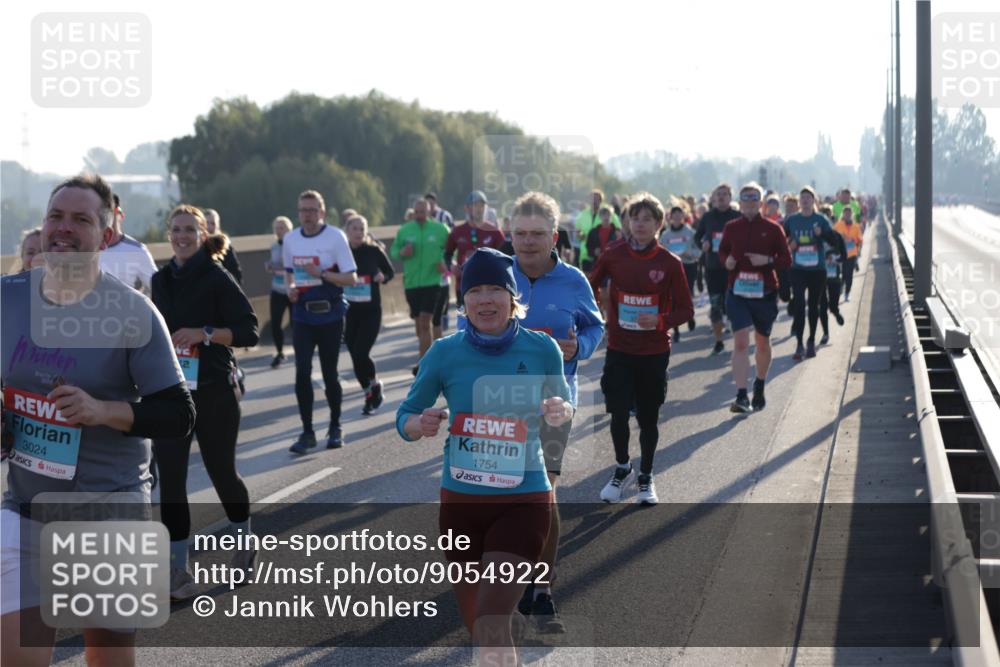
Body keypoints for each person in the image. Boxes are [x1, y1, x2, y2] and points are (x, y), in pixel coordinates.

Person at [1, 174, 195, 667]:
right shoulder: (8, 298)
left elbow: (178, 414)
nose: (64, 229)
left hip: (108, 510)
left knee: (106, 656)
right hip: (24, 510)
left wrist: (102, 410)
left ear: (106, 236)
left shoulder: (133, 312)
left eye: (81, 219)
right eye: (55, 217)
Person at [396, 247, 573, 665]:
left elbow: (563, 402)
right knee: (483, 632)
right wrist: (417, 425)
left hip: (523, 500)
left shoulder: (542, 348)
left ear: (514, 300)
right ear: (464, 301)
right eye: (475, 291)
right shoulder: (443, 353)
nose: (485, 299)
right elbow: (405, 414)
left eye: (496, 289)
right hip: (460, 505)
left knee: (493, 623)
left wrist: (561, 411)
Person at [151, 204, 260, 599]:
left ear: (201, 234)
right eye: (175, 229)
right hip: (170, 393)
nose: (181, 236)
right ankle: (178, 569)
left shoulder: (216, 276)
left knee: (221, 474)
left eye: (189, 230)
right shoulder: (159, 280)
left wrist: (205, 332)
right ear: (169, 235)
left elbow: (250, 331)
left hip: (214, 390)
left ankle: (244, 540)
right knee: (172, 482)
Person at [509, 192, 604, 631]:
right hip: (500, 398)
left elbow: (595, 324)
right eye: (520, 234)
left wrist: (579, 346)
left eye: (537, 234)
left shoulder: (573, 281)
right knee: (508, 494)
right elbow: (464, 321)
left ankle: (542, 590)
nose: (528, 242)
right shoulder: (496, 273)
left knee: (544, 491)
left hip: (555, 396)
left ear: (554, 236)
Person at [589, 193, 694, 504]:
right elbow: (589, 284)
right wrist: (597, 310)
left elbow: (686, 310)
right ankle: (623, 468)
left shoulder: (670, 263)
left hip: (653, 352)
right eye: (635, 218)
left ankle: (646, 477)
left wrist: (661, 320)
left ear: (659, 224)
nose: (640, 224)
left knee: (648, 418)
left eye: (647, 219)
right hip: (620, 348)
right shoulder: (613, 254)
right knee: (617, 413)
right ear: (627, 223)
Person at [284, 190, 358, 453]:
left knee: (329, 374)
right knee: (302, 373)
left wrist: (323, 274)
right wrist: (290, 288)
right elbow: (288, 274)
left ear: (322, 213)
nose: (308, 215)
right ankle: (307, 432)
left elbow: (351, 278)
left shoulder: (335, 236)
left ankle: (335, 426)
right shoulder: (290, 239)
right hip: (303, 315)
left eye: (313, 210)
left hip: (331, 314)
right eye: (303, 210)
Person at [718, 182, 792, 413]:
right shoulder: (731, 227)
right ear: (739, 204)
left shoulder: (772, 229)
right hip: (737, 292)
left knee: (762, 343)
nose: (749, 205)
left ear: (760, 204)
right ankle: (741, 395)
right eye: (745, 201)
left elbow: (786, 260)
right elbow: (722, 251)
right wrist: (726, 261)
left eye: (754, 201)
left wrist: (767, 261)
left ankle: (759, 383)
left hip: (765, 293)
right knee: (740, 342)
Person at [390, 199, 450, 374]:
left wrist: (444, 264)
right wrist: (402, 253)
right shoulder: (405, 230)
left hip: (433, 282)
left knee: (425, 322)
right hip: (412, 283)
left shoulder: (440, 230)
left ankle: (424, 363)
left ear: (429, 212)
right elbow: (393, 251)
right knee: (419, 326)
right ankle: (429, 354)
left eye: (422, 212)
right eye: (416, 212)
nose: (419, 215)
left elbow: (451, 251)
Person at [343, 215, 395, 415]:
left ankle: (374, 385)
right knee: (355, 357)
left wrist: (383, 277)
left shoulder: (374, 251)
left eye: (361, 229)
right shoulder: (342, 252)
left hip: (371, 311)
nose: (358, 232)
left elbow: (389, 272)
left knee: (361, 352)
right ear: (347, 231)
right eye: (354, 228)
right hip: (349, 312)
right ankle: (369, 393)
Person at [785, 186, 843, 360]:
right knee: (799, 305)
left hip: (817, 270)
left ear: (814, 201)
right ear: (799, 202)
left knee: (814, 306)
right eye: (802, 197)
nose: (804, 200)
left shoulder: (821, 219)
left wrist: (822, 233)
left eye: (808, 198)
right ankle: (799, 344)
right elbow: (782, 240)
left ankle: (811, 340)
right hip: (798, 269)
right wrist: (790, 245)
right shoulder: (791, 220)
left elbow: (835, 242)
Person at [694, 183, 741, 355]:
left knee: (732, 306)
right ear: (713, 198)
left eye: (724, 194)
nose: (721, 197)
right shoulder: (707, 217)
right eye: (718, 194)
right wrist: (703, 244)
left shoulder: (737, 216)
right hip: (713, 267)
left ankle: (738, 340)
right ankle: (719, 341)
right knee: (715, 306)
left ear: (730, 197)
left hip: (733, 268)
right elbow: (697, 236)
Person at [445, 192, 506, 311]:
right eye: (475, 206)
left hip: (490, 288)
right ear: (467, 208)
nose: (479, 209)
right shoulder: (457, 231)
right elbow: (447, 254)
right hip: (463, 286)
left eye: (482, 206)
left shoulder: (495, 232)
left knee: (487, 326)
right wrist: (451, 266)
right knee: (465, 326)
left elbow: (506, 258)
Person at [99, 194, 159, 295]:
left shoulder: (137, 250)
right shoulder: (83, 249)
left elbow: (158, 289)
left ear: (121, 215)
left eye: (110, 211)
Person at [659, 205, 700, 340]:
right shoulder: (665, 235)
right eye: (674, 214)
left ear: (683, 216)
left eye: (679, 214)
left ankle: (690, 317)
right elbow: (660, 252)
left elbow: (699, 251)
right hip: (672, 269)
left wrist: (690, 253)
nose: (677, 216)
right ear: (670, 217)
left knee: (687, 295)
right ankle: (676, 330)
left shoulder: (690, 232)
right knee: (673, 298)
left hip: (688, 266)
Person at [266, 216, 294, 368]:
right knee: (275, 323)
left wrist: (277, 266)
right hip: (277, 289)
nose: (278, 230)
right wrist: (271, 266)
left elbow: (292, 265)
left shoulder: (294, 244)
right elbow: (277, 265)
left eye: (282, 227)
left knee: (296, 322)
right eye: (276, 227)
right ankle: (280, 352)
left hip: (293, 287)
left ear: (289, 229)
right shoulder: (274, 246)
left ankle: (301, 351)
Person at [575, 189, 620, 269]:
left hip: (604, 256)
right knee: (588, 280)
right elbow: (578, 233)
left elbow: (618, 230)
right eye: (592, 198)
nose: (594, 201)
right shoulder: (582, 215)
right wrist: (581, 236)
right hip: (585, 254)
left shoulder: (609, 213)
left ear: (601, 200)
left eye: (597, 199)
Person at [202, 208, 243, 284]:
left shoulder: (226, 248)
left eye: (213, 223)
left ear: (218, 226)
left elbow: (236, 275)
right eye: (207, 223)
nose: (209, 227)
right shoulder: (196, 247)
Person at [833, 205, 863, 302]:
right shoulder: (838, 225)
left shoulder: (856, 226)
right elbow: (832, 237)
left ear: (852, 214)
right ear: (843, 214)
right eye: (846, 213)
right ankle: (840, 289)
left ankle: (847, 293)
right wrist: (840, 239)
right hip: (841, 253)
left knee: (849, 274)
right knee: (842, 274)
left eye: (849, 213)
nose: (847, 215)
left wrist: (854, 240)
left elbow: (860, 240)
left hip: (852, 253)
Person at [818, 247, 846, 345]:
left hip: (834, 279)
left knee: (833, 306)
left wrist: (834, 259)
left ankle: (836, 313)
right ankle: (825, 333)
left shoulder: (836, 239)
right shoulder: (815, 238)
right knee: (822, 307)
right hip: (820, 278)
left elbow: (844, 255)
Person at [584, 204, 621, 273]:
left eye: (608, 215)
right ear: (600, 216)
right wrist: (594, 251)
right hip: (597, 263)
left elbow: (622, 248)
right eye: (604, 215)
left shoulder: (617, 232)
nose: (606, 217)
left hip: (613, 265)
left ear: (611, 217)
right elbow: (588, 246)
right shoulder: (593, 232)